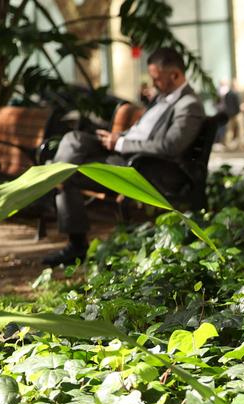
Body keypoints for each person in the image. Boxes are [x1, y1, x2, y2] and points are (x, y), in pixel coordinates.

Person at [42, 48, 205, 267]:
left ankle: (76, 243)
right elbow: (144, 131)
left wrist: (121, 143)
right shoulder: (161, 99)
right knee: (74, 138)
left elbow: (170, 146)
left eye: (157, 78)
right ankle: (54, 175)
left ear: (175, 75)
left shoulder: (189, 105)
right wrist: (119, 137)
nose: (153, 83)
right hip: (124, 153)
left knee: (68, 173)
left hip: (143, 167)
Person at [218, 79, 244, 149]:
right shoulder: (235, 94)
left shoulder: (227, 94)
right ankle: (241, 145)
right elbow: (238, 105)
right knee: (240, 130)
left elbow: (225, 105)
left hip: (229, 115)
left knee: (230, 131)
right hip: (237, 114)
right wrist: (240, 109)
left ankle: (227, 144)